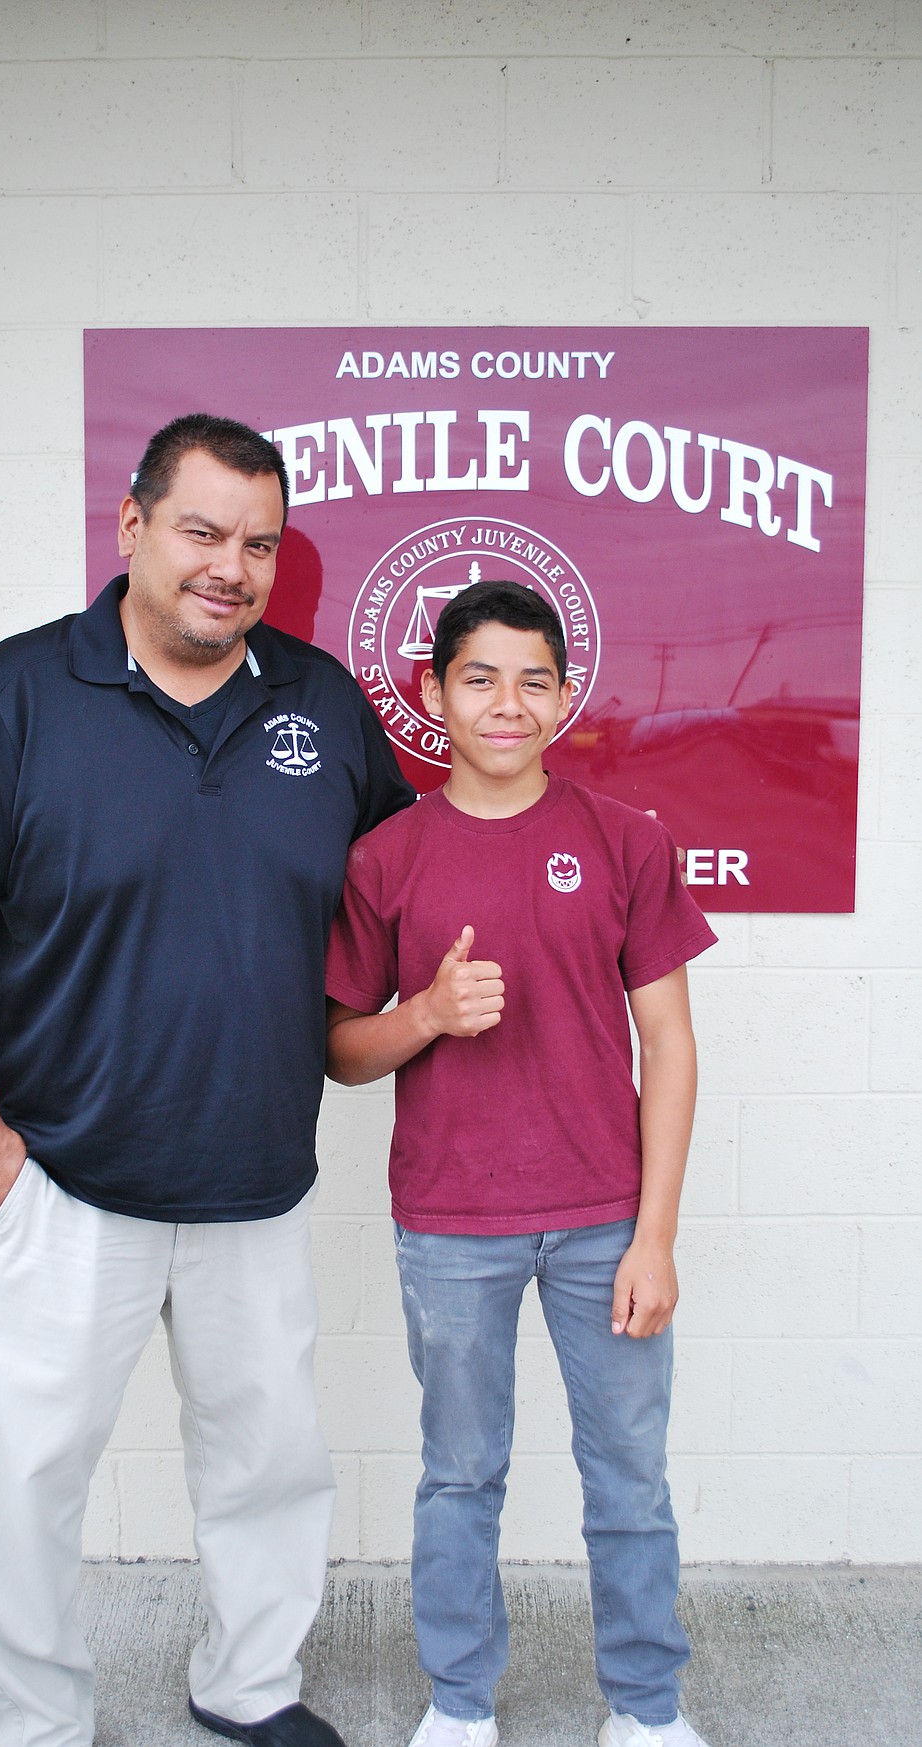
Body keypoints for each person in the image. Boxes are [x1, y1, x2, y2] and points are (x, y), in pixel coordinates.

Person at [0, 413, 414, 1747]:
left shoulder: (321, 703)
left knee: (268, 1464)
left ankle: (247, 1686)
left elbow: (408, 878)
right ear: (131, 526)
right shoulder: (18, 692)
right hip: (62, 1173)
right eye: (202, 530)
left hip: (253, 1173)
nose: (230, 565)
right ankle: (38, 1721)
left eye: (260, 543)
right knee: (25, 1477)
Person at [324, 580, 718, 1747]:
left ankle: (646, 1709)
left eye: (532, 680)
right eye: (480, 678)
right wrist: (428, 1014)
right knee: (459, 1475)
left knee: (630, 1483)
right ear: (435, 692)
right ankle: (459, 1703)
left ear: (562, 696)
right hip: (450, 1223)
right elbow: (342, 1053)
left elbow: (673, 1042)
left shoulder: (623, 839)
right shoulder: (386, 858)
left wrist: (656, 1235)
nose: (507, 703)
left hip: (606, 1223)